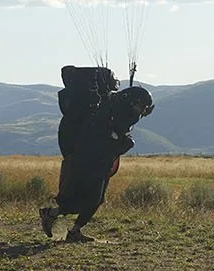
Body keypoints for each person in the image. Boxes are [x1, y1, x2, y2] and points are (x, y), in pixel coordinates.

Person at [40, 82, 154, 242]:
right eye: (140, 107)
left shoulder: (112, 112)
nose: (140, 112)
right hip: (91, 162)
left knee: (96, 199)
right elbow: (104, 139)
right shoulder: (106, 114)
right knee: (90, 199)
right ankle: (52, 215)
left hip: (99, 163)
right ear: (132, 103)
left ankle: (73, 231)